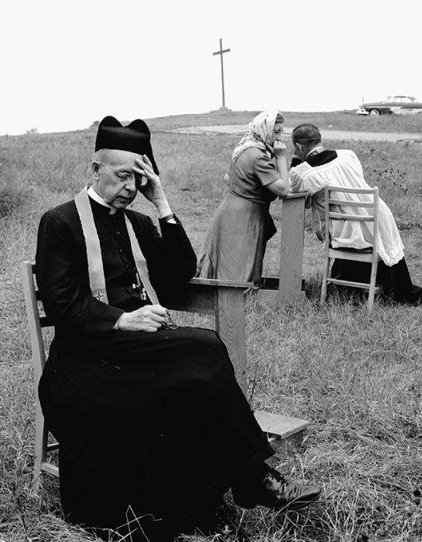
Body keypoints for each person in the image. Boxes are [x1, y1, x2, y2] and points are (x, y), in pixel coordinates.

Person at [35, 115, 322, 542]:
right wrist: (121, 318)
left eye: (139, 178)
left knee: (199, 372)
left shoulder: (136, 222)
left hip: (143, 352)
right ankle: (252, 478)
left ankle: (236, 485)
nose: (131, 187)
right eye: (121, 176)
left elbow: (177, 276)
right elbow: (61, 303)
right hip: (87, 360)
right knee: (203, 347)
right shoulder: (59, 222)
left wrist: (163, 204)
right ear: (95, 170)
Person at [289, 123, 422, 305]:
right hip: (378, 216)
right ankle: (380, 283)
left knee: (345, 223)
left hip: (347, 231)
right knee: (362, 226)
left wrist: (295, 161)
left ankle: (351, 285)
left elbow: (292, 190)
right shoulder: (348, 155)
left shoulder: (304, 173)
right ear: (319, 140)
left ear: (299, 147)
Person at [197, 110, 289, 284]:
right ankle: (235, 303)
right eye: (276, 131)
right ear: (265, 130)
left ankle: (234, 301)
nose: (280, 136)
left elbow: (227, 178)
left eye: (281, 131)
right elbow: (284, 190)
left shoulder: (246, 146)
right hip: (243, 215)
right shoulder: (257, 156)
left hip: (233, 208)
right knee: (238, 265)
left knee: (234, 261)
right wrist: (281, 157)